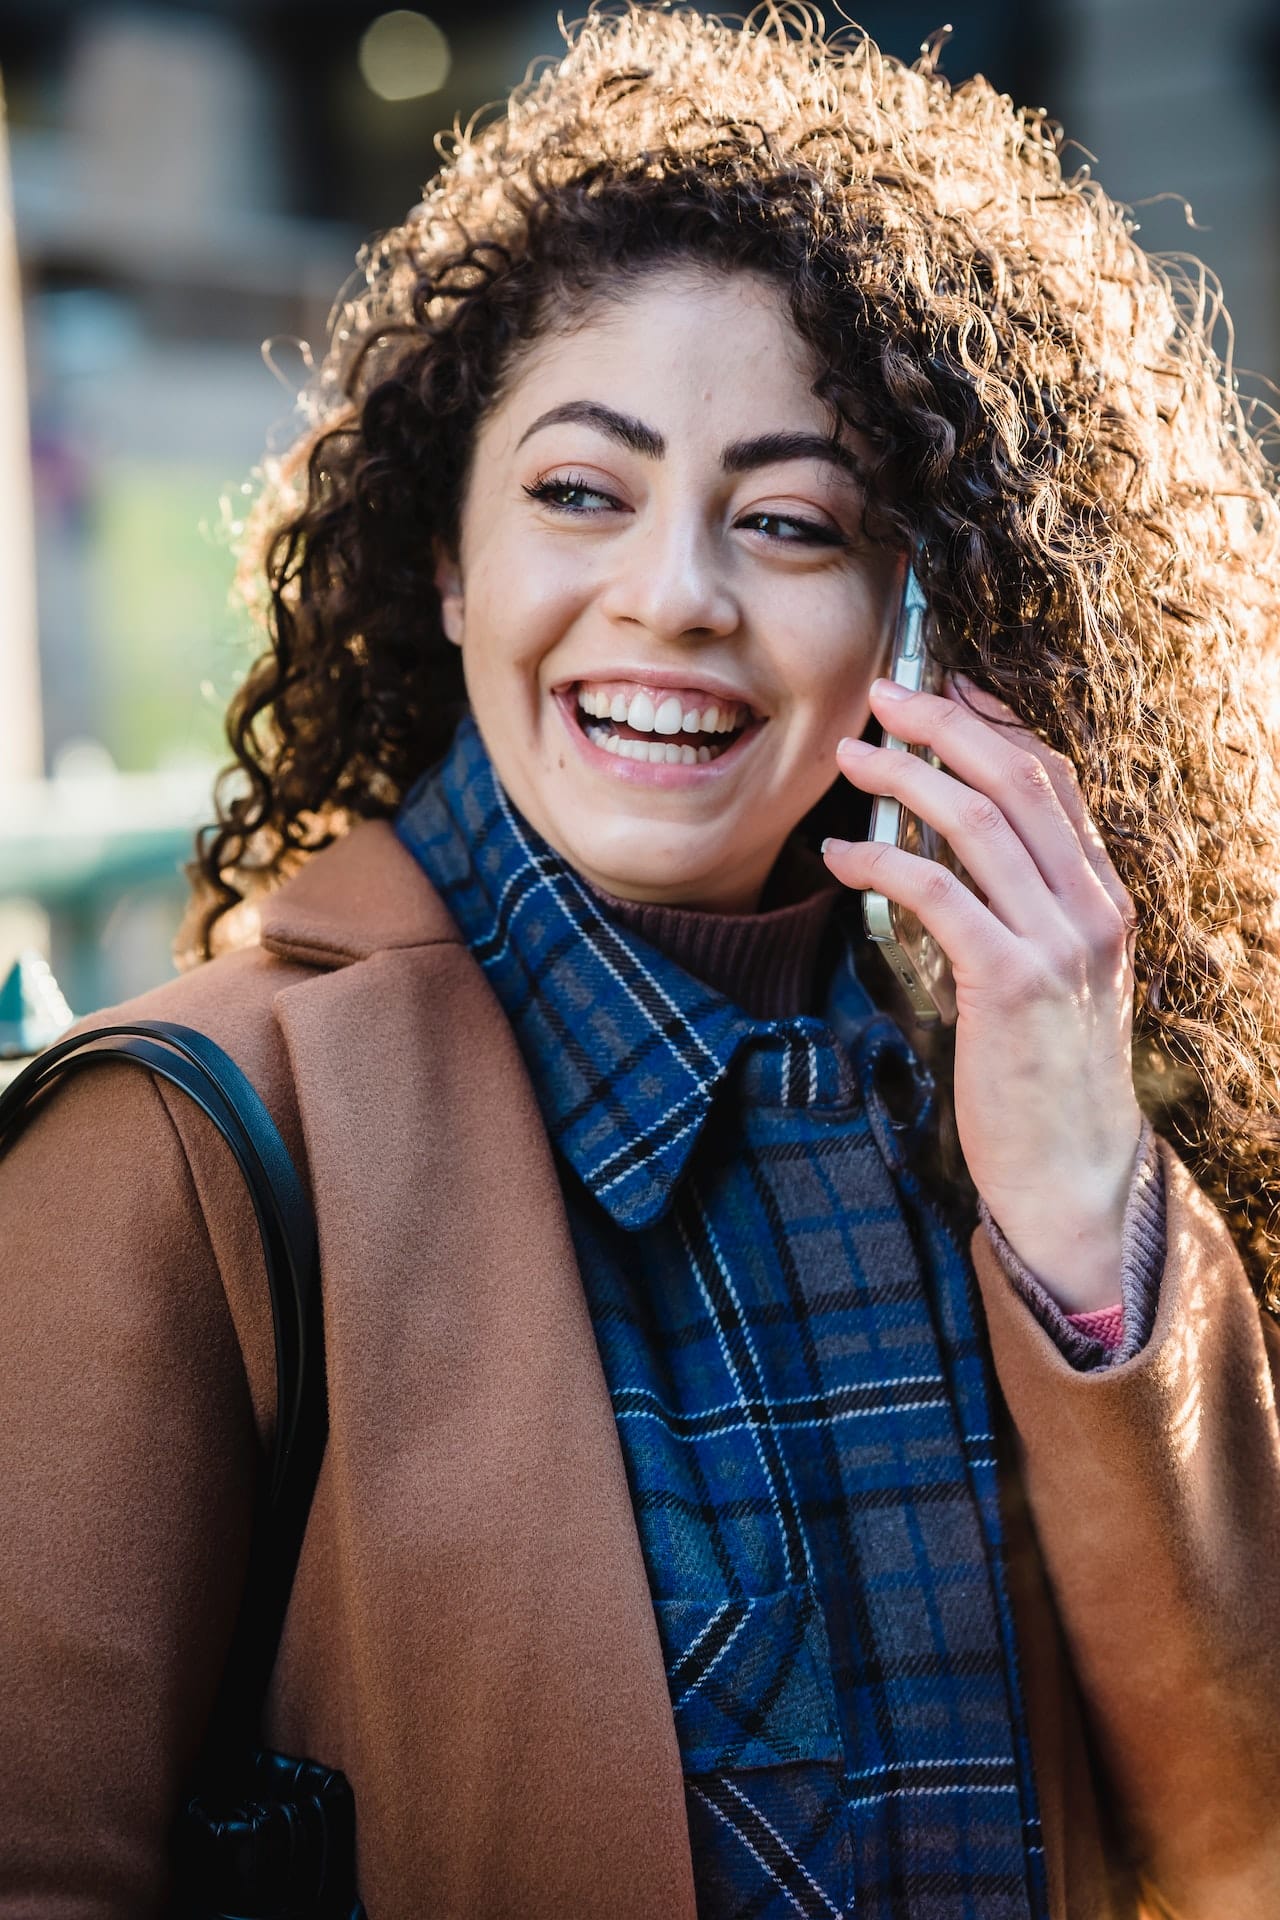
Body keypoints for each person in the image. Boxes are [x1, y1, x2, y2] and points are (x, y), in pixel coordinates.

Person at [3, 4, 1279, 1916]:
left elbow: (1234, 1845)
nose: (674, 594)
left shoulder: (1019, 1123)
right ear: (447, 563)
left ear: (918, 612)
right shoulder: (182, 1150)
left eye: (789, 520)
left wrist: (1081, 1204)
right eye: (579, 492)